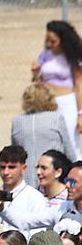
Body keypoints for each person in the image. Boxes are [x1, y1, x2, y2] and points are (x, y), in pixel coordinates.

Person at [32, 19, 82, 153]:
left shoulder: (72, 57)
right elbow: (37, 82)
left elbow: (78, 84)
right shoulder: (45, 55)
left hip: (67, 101)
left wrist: (80, 114)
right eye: (48, 40)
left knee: (71, 142)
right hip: (48, 103)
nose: (49, 44)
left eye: (53, 41)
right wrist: (36, 72)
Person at [0, 145, 59, 236]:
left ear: (24, 168)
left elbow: (37, 235)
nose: (6, 172)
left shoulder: (35, 198)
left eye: (11, 167)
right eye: (3, 167)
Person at [11, 80, 75, 165]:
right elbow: (68, 150)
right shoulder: (56, 118)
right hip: (52, 171)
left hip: (26, 172)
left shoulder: (17, 121)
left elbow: (15, 151)